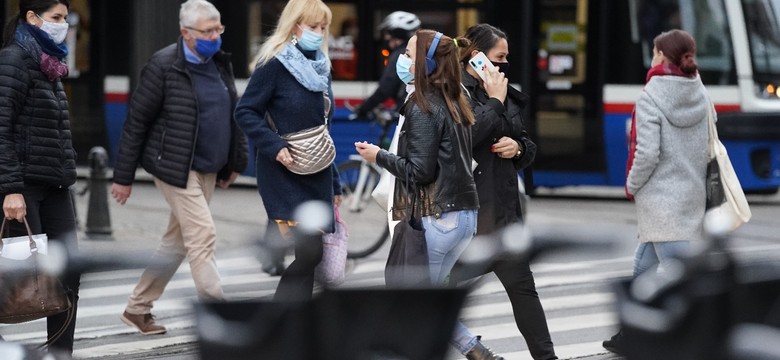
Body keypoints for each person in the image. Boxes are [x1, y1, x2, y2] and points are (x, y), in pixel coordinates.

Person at [355, 29, 503, 360]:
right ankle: (473, 350)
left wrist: (377, 156)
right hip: (462, 216)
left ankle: (477, 352)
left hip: (439, 217)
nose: (402, 60)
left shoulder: (423, 106)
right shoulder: (457, 99)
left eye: (409, 54)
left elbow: (420, 171)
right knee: (426, 300)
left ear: (427, 62)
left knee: (416, 304)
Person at [110, 0, 248, 335]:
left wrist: (236, 161)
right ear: (186, 33)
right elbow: (137, 122)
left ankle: (137, 308)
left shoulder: (219, 62)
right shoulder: (163, 65)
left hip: (209, 168)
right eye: (208, 31)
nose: (215, 36)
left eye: (219, 29)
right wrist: (123, 177)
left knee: (177, 242)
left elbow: (233, 113)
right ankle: (219, 316)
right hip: (173, 166)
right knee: (203, 234)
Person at [452, 23, 558, 360]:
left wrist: (519, 148)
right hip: (469, 214)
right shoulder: (455, 92)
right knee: (440, 291)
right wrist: (495, 100)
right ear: (475, 56)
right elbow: (465, 139)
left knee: (523, 289)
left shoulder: (505, 91)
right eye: (499, 57)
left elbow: (526, 143)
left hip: (504, 209)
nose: (503, 65)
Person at [602, 29, 709, 354]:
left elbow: (647, 153)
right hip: (691, 193)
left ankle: (699, 341)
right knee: (644, 265)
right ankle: (628, 334)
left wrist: (632, 184)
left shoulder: (651, 96)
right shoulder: (700, 92)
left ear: (661, 56)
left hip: (661, 201)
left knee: (684, 281)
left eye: (653, 51)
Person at [234, 0, 342, 302]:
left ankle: (294, 326)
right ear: (294, 26)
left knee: (311, 256)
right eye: (313, 27)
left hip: (317, 173)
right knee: (309, 254)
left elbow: (324, 128)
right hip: (285, 172)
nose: (319, 34)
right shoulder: (274, 64)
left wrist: (335, 182)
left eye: (323, 27)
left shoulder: (321, 66)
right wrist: (274, 146)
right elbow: (245, 112)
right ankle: (282, 323)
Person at [0, 0, 79, 354]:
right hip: (23, 188)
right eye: (56, 18)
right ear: (32, 17)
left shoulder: (50, 64)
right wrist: (11, 189)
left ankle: (61, 352)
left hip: (55, 185)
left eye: (65, 17)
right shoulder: (14, 60)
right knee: (12, 277)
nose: (63, 24)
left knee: (69, 271)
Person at [352, 11, 420, 119]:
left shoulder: (400, 55)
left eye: (389, 33)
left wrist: (363, 109)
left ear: (397, 34)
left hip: (408, 113)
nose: (386, 37)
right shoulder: (419, 53)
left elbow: (385, 88)